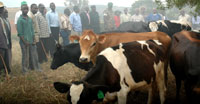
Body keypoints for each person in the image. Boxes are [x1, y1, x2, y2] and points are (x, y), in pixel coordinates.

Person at [17, 1, 34, 73]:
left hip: (30, 41)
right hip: (23, 42)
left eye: (27, 9)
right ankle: (24, 70)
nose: (25, 10)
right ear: (21, 9)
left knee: (29, 56)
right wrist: (25, 42)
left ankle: (28, 68)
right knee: (24, 56)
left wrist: (32, 39)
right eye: (24, 9)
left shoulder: (29, 19)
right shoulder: (20, 20)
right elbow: (20, 34)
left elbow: (32, 30)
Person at [27, 4, 41, 71]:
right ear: (31, 8)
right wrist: (32, 38)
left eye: (37, 8)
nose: (36, 10)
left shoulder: (33, 15)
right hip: (32, 38)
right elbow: (30, 29)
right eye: (35, 8)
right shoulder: (30, 16)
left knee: (33, 53)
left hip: (35, 37)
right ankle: (35, 68)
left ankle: (32, 67)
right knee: (34, 54)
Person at [0, 2, 11, 75]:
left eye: (2, 8)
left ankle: (7, 74)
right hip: (1, 44)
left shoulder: (3, 19)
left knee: (7, 61)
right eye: (0, 8)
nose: (2, 9)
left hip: (5, 43)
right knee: (1, 62)